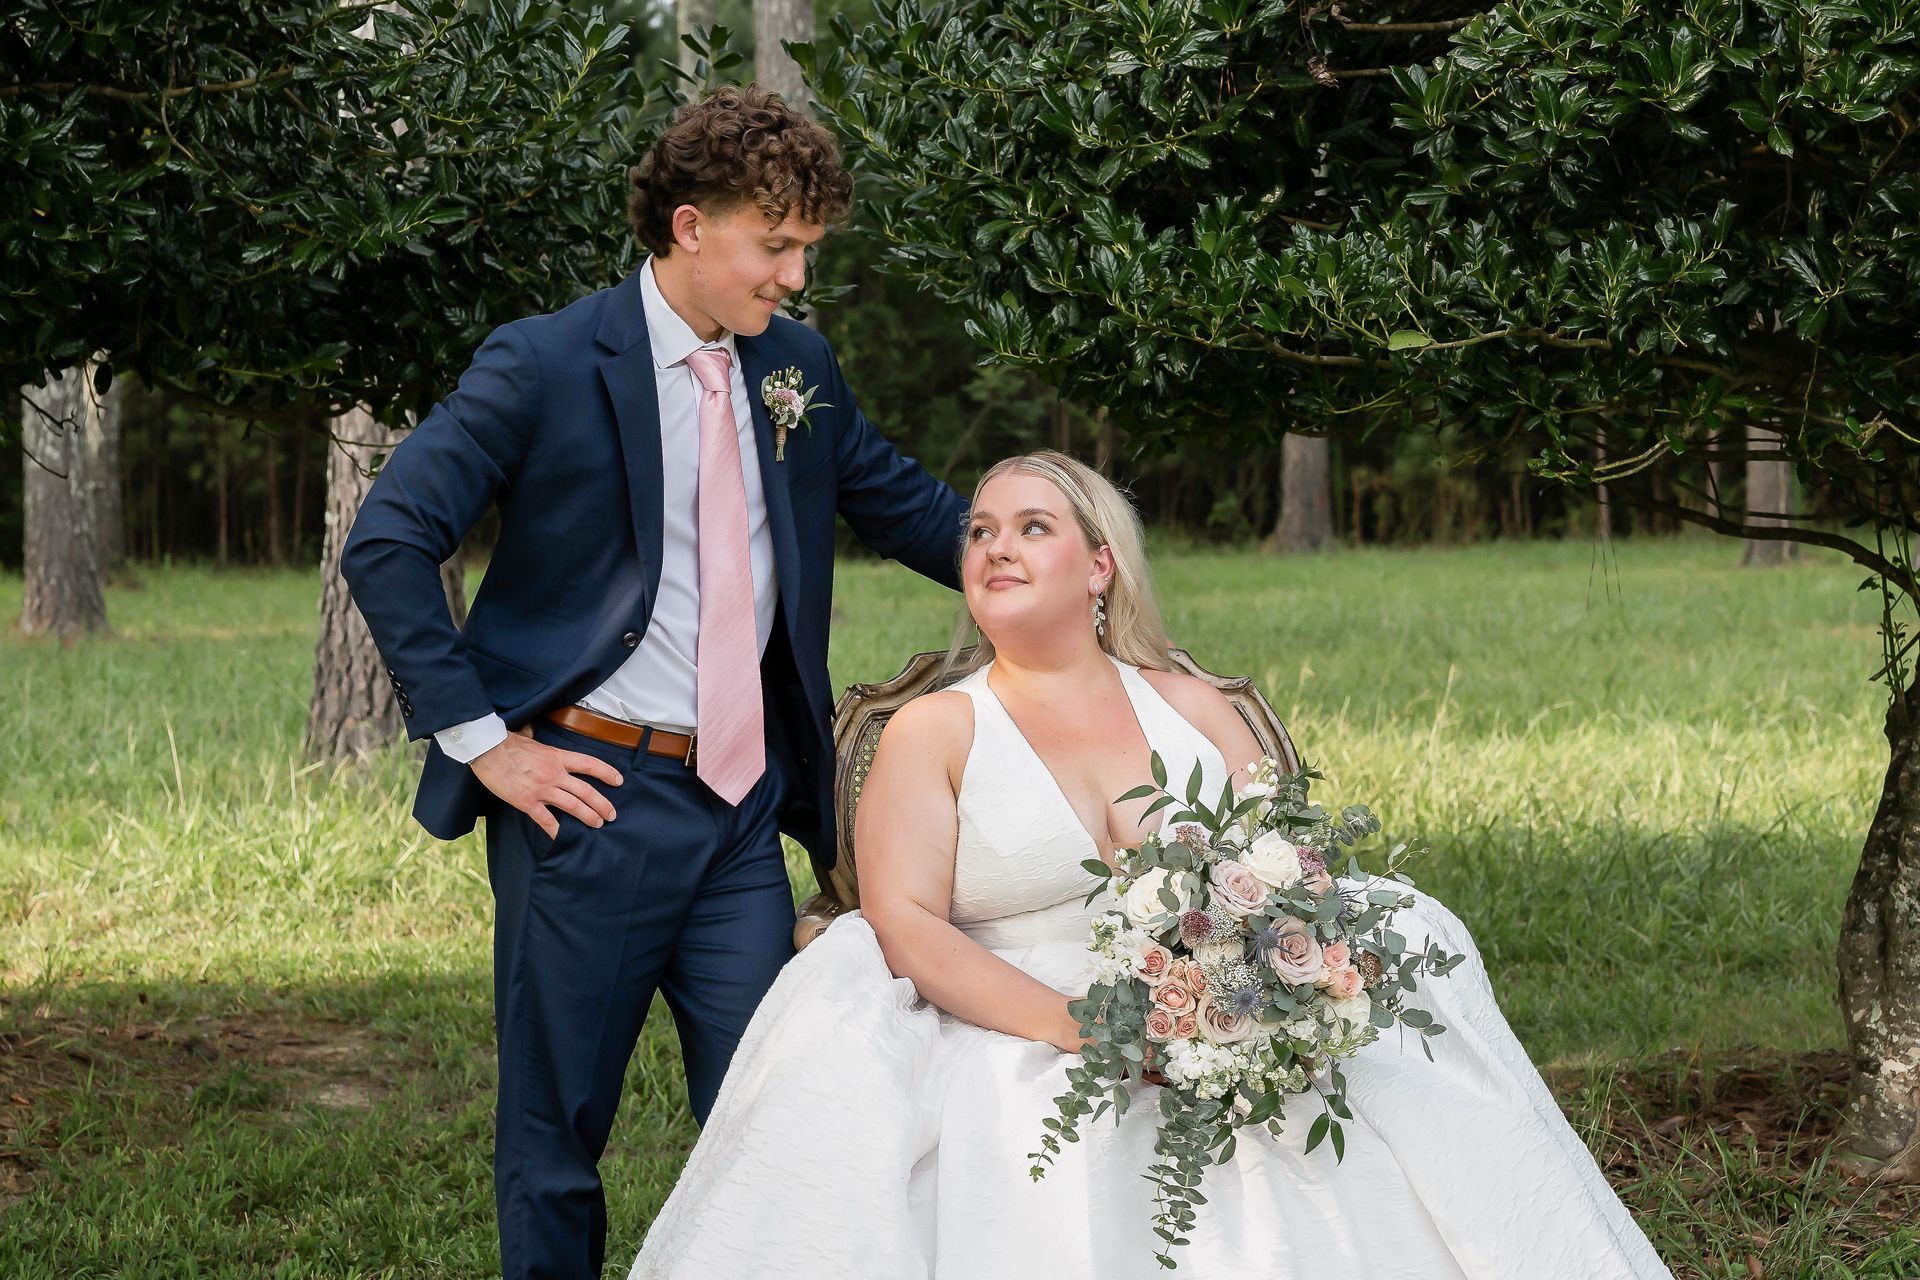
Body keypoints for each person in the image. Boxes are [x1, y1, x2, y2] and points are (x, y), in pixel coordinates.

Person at [628, 451, 1674, 1279]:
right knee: (1035, 1138)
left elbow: (1290, 866)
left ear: (1098, 565)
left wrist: (1263, 995)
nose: (996, 546)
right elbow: (908, 925)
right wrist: (1087, 1030)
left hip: (1219, 999)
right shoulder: (936, 730)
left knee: (1404, 1038)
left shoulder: (1183, 700)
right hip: (1010, 1009)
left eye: (1033, 526)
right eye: (981, 531)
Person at [339, 86, 968, 1280]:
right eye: (774, 246)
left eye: (806, 251)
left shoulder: (797, 364)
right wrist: (487, 742)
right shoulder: (546, 360)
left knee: (778, 1108)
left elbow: (910, 506)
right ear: (690, 225)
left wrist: (1052, 557)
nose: (793, 276)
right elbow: (389, 538)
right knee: (557, 1125)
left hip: (742, 813)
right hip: (587, 798)